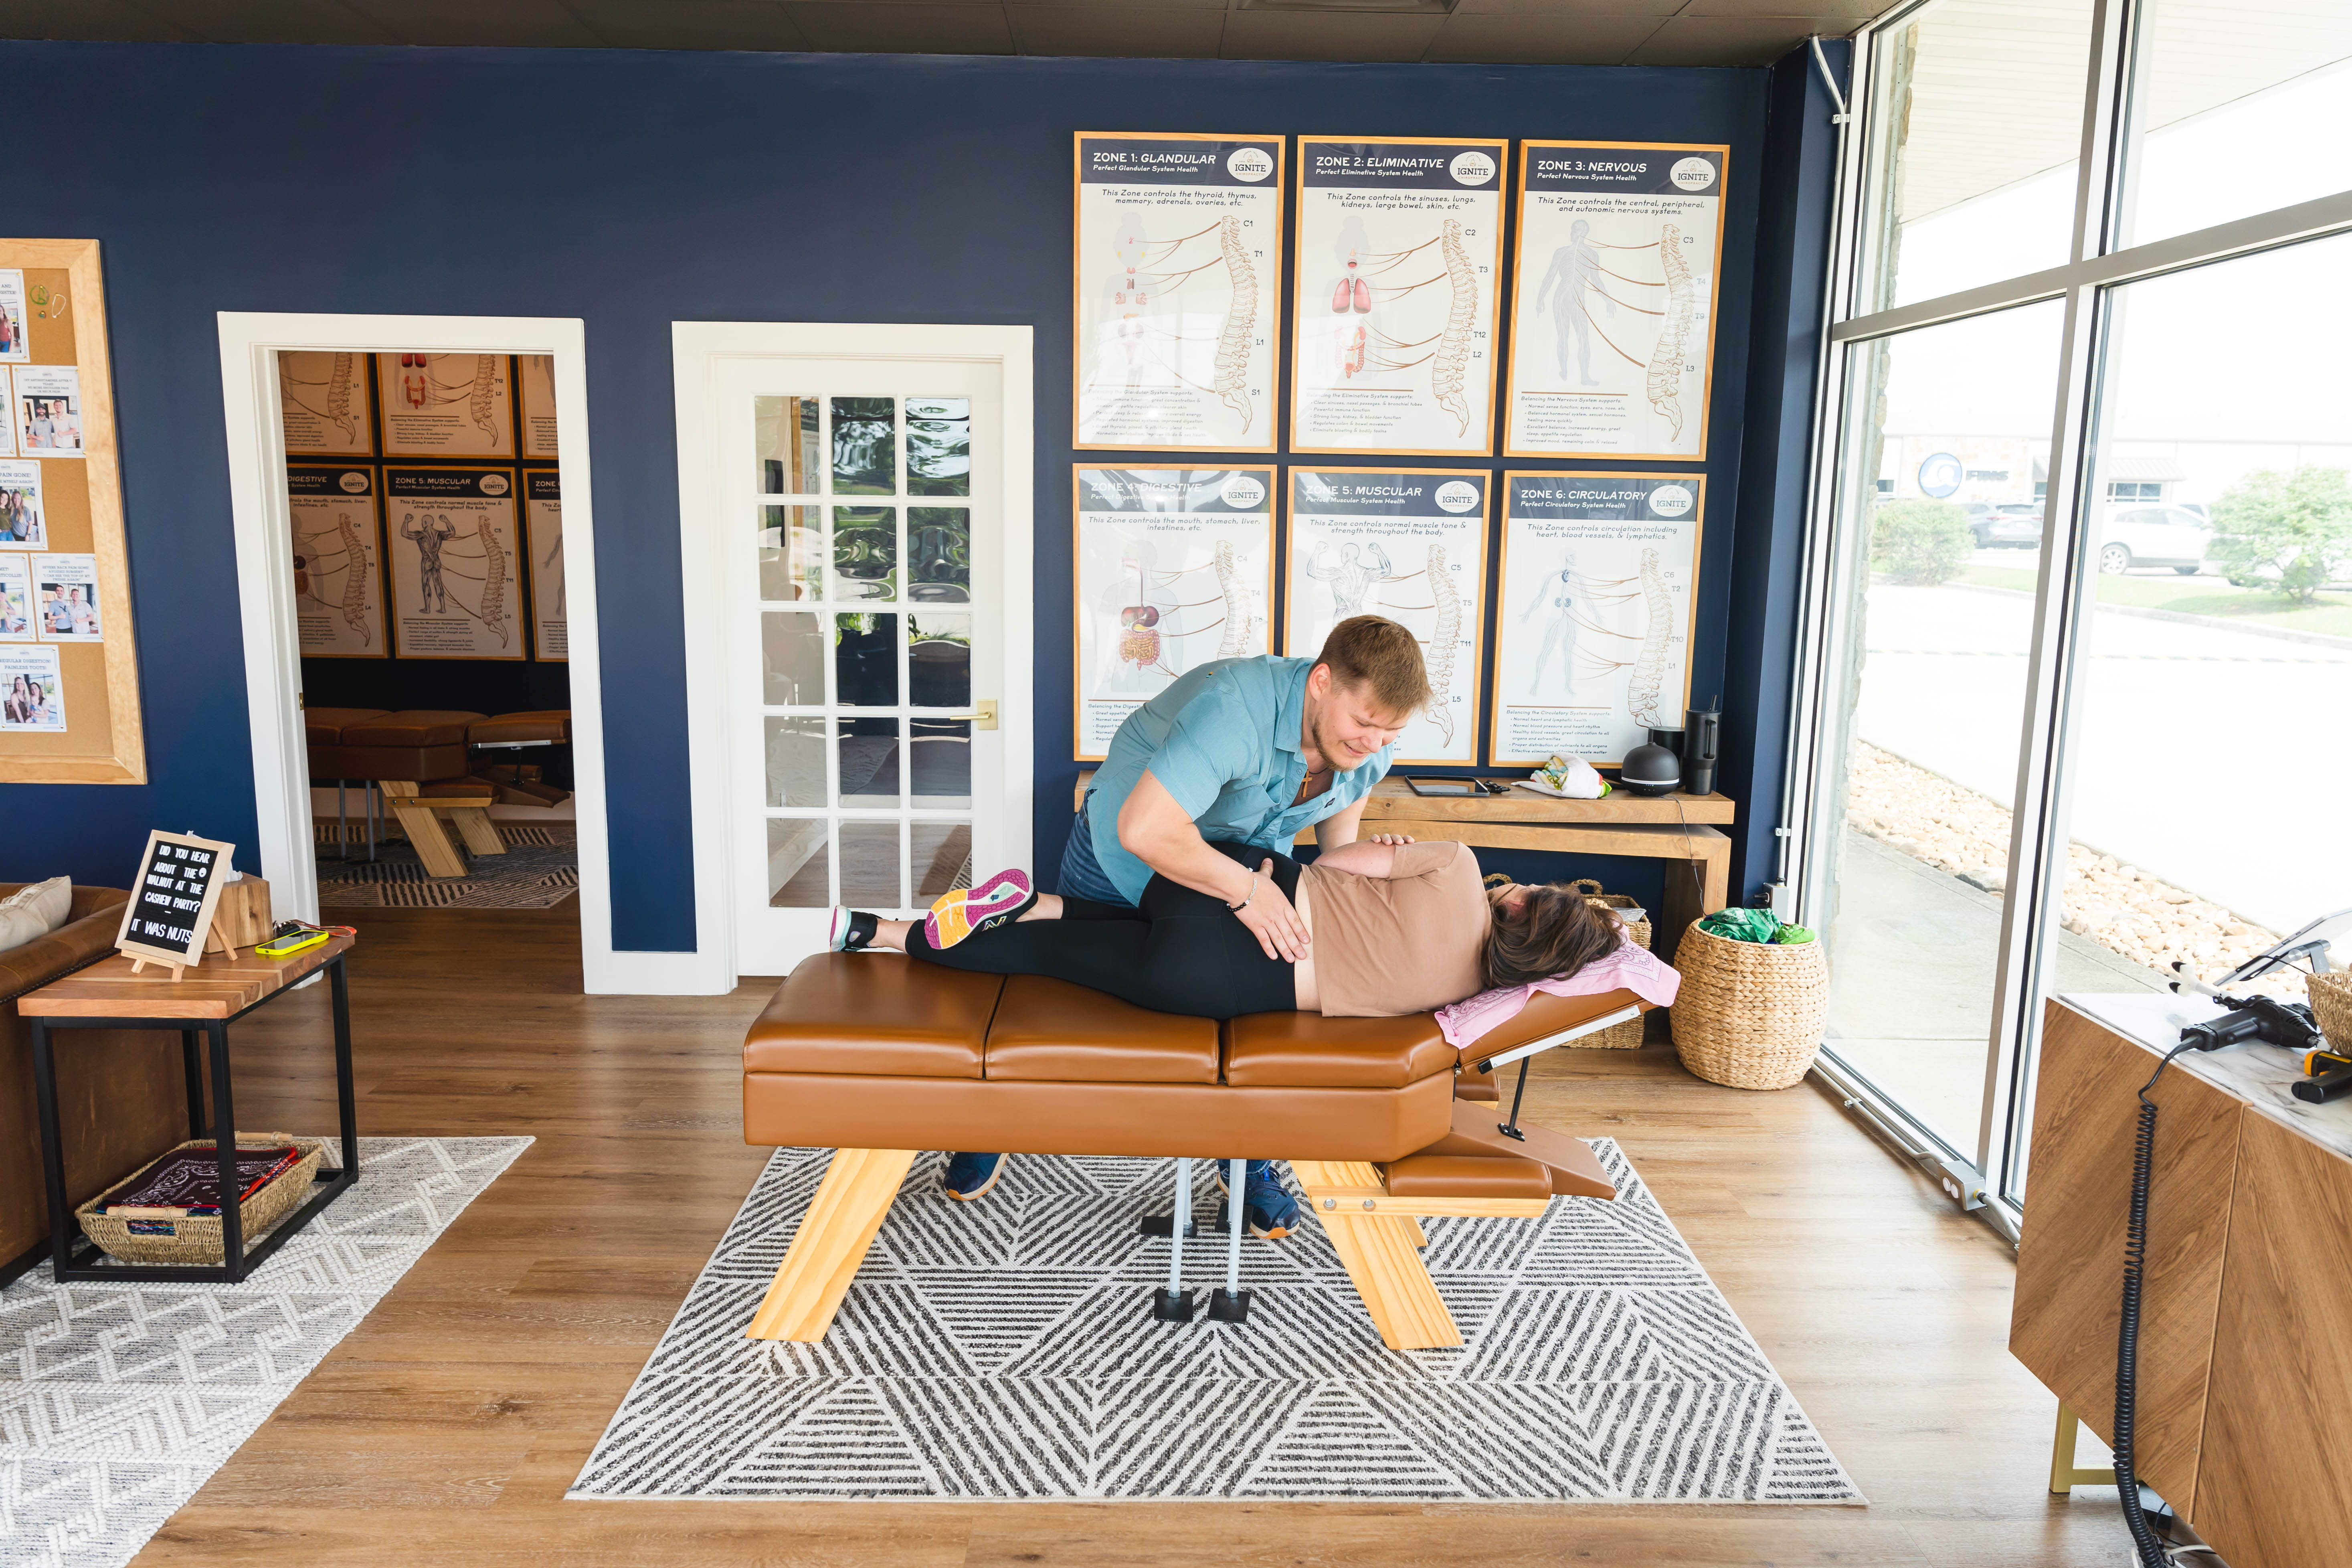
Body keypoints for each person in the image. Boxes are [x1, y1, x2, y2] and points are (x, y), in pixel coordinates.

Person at [910, 615, 1432, 1233]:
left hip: (1238, 877)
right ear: (1322, 682)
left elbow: (1336, 839)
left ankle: (1247, 1155)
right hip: (1126, 857)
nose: (1375, 743)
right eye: (1366, 723)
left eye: (1391, 732)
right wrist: (1248, 893)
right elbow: (1146, 830)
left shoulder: (1369, 745)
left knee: (1252, 1016)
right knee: (1064, 994)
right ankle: (991, 1121)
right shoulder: (1234, 709)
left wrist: (1365, 876)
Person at [833, 840, 1627, 1026]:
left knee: (1151, 907)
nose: (1527, 887)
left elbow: (1335, 860)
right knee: (1055, 960)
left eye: (1538, 895)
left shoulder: (1458, 866)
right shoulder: (1468, 995)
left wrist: (1376, 860)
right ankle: (884, 933)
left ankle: (1021, 903)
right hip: (1216, 982)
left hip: (1231, 887)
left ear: (1527, 912)